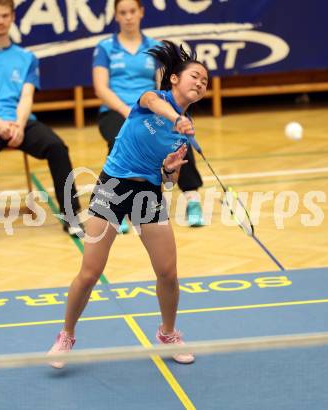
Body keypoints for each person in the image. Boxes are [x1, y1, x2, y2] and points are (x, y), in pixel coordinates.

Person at [48, 40, 209, 367]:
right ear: (175, 79)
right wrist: (176, 118)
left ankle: (167, 333)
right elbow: (151, 101)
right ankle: (66, 335)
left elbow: (167, 182)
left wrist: (169, 171)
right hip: (113, 186)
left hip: (148, 194)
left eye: (205, 82)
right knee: (91, 272)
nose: (200, 83)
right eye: (195, 76)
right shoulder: (153, 99)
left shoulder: (183, 135)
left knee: (168, 273)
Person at [0, 0, 83, 246]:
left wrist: (18, 124)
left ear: (13, 17)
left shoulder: (26, 57)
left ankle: (72, 216)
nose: (1, 21)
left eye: (5, 15)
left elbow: (27, 96)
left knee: (57, 147)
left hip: (20, 121)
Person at [92, 0, 204, 233]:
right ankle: (116, 207)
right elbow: (101, 89)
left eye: (132, 11)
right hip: (117, 110)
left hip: (153, 107)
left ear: (141, 13)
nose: (128, 17)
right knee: (117, 138)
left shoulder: (154, 48)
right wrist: (128, 111)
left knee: (179, 136)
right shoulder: (105, 48)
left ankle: (192, 198)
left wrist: (169, 115)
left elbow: (160, 87)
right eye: (123, 13)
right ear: (116, 16)